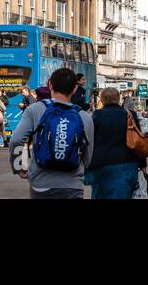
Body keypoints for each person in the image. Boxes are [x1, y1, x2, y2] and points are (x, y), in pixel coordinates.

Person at [7, 67, 95, 199]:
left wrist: (19, 167)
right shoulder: (84, 116)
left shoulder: (34, 110)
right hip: (72, 185)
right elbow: (88, 155)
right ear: (75, 89)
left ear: (50, 85)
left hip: (41, 183)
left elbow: (16, 140)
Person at [82, 86, 139, 199]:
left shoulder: (97, 115)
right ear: (118, 99)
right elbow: (138, 140)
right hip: (127, 162)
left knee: (100, 194)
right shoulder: (130, 115)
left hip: (102, 164)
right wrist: (142, 164)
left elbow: (90, 140)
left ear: (102, 100)